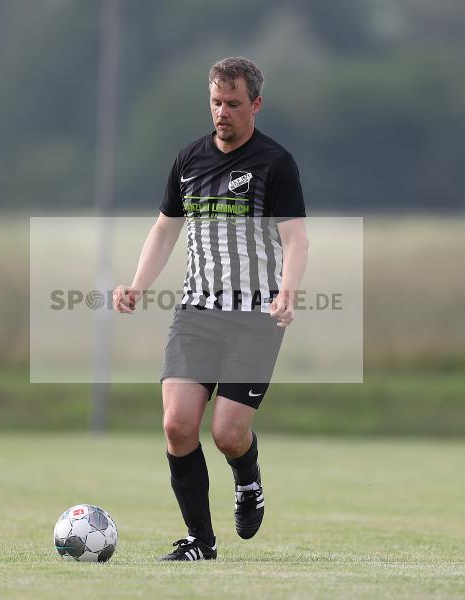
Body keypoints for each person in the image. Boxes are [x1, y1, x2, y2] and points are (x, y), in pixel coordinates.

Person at [112, 56, 309, 561]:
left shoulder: (275, 164)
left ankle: (248, 478)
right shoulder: (188, 161)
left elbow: (296, 238)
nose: (222, 113)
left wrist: (287, 290)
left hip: (254, 320)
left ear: (256, 105)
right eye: (216, 103)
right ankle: (201, 541)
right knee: (178, 424)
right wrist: (136, 284)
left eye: (234, 104)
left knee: (226, 433)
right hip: (196, 314)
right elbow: (164, 229)